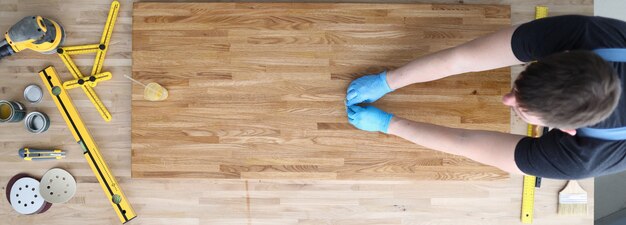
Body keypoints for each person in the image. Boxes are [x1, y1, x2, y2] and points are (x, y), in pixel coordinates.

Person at [345, 15, 626, 180]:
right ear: (560, 54)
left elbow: (465, 142)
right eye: (520, 86)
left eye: (522, 108)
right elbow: (462, 59)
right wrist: (388, 80)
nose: (507, 100)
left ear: (565, 130)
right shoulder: (591, 35)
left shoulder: (580, 160)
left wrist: (390, 125)